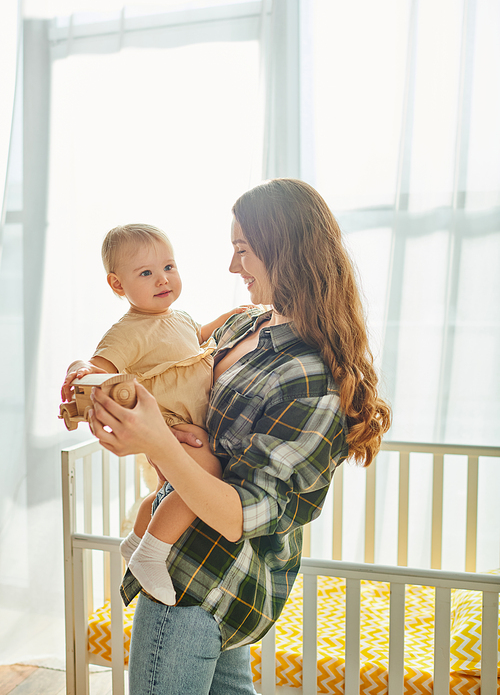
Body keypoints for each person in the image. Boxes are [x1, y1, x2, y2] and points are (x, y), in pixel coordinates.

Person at [88, 179, 391, 695]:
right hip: (206, 579)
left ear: (285, 251)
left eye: (243, 252)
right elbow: (165, 366)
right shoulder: (245, 326)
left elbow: (240, 515)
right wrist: (100, 395)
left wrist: (157, 440)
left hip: (200, 583)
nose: (232, 268)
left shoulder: (310, 378)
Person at [61, 223, 249, 605]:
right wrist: (78, 367)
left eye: (169, 267)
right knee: (206, 475)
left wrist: (231, 317)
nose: (163, 279)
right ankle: (151, 553)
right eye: (146, 273)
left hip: (195, 424)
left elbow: (196, 338)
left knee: (173, 490)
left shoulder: (177, 317)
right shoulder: (128, 332)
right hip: (170, 427)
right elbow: (97, 366)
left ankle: (135, 541)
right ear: (117, 285)